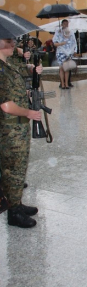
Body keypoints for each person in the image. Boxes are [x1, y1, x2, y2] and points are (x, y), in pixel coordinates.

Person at [0, 37, 43, 228]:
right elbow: (6, 105)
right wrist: (29, 113)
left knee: (19, 168)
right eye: (7, 42)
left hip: (18, 126)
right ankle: (13, 213)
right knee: (12, 170)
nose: (12, 46)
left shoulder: (7, 65)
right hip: (10, 128)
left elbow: (16, 91)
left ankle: (16, 203)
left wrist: (34, 72)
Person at [53, 19, 77, 89]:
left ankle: (67, 84)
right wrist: (61, 43)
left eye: (67, 24)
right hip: (61, 52)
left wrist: (75, 50)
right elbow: (55, 43)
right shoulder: (58, 32)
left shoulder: (71, 32)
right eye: (64, 24)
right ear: (62, 24)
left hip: (69, 52)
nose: (66, 25)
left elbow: (74, 42)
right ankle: (62, 84)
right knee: (61, 69)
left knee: (67, 68)